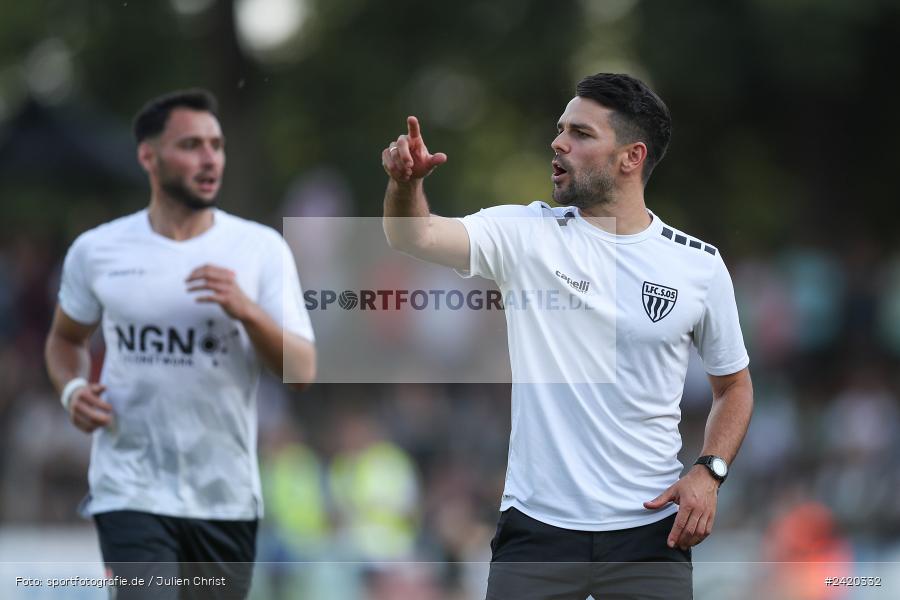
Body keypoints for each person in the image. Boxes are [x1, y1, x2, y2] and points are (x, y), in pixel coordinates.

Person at [381, 73, 753, 599]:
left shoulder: (698, 266)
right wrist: (405, 184)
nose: (558, 143)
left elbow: (733, 386)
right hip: (536, 531)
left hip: (650, 533)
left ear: (631, 157)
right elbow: (412, 234)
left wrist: (708, 472)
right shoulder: (526, 236)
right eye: (560, 129)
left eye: (580, 133)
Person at [44, 89, 316, 600]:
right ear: (149, 156)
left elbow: (302, 371)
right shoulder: (98, 250)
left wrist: (247, 311)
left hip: (225, 497)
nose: (210, 157)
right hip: (131, 488)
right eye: (191, 144)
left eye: (216, 144)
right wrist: (72, 388)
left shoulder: (259, 249)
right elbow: (64, 340)